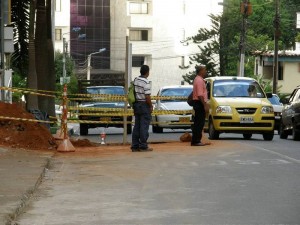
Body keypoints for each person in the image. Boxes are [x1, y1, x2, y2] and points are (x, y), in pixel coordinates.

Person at [131, 65, 153, 152]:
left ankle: (135, 146)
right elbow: (147, 96)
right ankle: (143, 146)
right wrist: (151, 106)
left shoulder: (135, 80)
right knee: (144, 127)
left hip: (136, 105)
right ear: (147, 72)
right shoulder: (146, 82)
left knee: (137, 126)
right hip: (144, 105)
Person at [191, 65, 209, 146]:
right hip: (199, 103)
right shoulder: (199, 80)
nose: (206, 71)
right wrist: (204, 105)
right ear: (201, 71)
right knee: (199, 122)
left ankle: (197, 140)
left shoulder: (199, 79)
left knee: (199, 122)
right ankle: (196, 141)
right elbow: (200, 95)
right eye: (204, 70)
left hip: (199, 102)